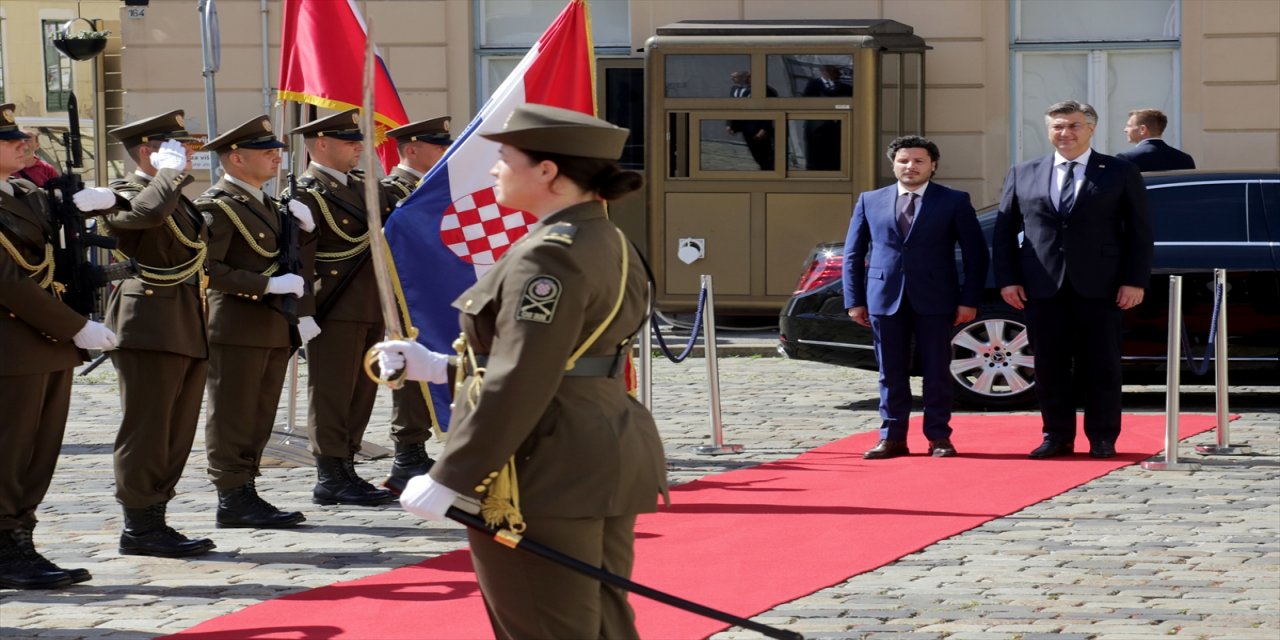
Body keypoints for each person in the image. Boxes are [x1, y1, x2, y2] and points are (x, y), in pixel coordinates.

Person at [374, 104, 668, 639]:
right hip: (596, 444)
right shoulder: (605, 239)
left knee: (544, 627)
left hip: (543, 464)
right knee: (600, 625)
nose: (494, 169)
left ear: (548, 171)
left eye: (506, 157)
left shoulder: (547, 257)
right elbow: (563, 356)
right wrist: (444, 368)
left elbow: (522, 378)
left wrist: (451, 477)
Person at [72, 109, 217, 557]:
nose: (187, 154)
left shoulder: (173, 192)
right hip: (148, 322)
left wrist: (171, 178)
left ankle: (156, 517)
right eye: (176, 147)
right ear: (146, 151)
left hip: (186, 322)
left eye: (187, 147)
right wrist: (168, 175)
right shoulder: (119, 195)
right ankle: (138, 523)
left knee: (176, 431)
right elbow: (146, 216)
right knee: (148, 429)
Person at [993, 100, 1154, 460]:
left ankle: (1102, 437)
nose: (1065, 133)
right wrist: (1008, 279)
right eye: (1057, 127)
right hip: (1042, 287)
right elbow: (1004, 231)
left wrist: (1134, 280)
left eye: (1074, 126)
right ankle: (1056, 435)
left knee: (1101, 366)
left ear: (1091, 128)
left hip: (1103, 287)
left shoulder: (1118, 171)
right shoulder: (1024, 172)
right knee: (1049, 367)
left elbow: (1140, 232)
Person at [0, 104, 117, 589]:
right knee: (9, 450)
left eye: (22, 137)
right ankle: (5, 546)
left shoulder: (26, 191)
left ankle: (21, 538)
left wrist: (93, 203)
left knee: (39, 450)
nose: (23, 143)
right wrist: (73, 326)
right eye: (10, 139)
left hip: (45, 341)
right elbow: (7, 281)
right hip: (11, 342)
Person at [194, 115, 318, 528]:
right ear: (235, 158)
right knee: (234, 413)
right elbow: (207, 270)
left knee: (260, 413)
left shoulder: (269, 203)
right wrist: (265, 285)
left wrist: (306, 232)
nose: (275, 157)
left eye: (276, 150)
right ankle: (231, 494)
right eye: (265, 151)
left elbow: (293, 262)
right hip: (237, 327)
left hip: (272, 327)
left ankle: (247, 489)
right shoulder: (217, 206)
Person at [842, 136, 988, 459]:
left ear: (933, 165)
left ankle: (939, 437)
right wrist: (854, 300)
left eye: (919, 161)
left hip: (937, 298)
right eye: (904, 161)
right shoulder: (870, 200)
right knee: (890, 371)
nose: (911, 167)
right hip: (883, 297)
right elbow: (853, 253)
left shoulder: (953, 201)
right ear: (893, 165)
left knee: (936, 370)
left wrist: (969, 300)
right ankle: (892, 437)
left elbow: (976, 255)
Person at [287, 108, 396, 506]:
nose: (359, 147)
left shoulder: (366, 186)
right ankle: (330, 474)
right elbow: (302, 259)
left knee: (362, 391)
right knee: (332, 392)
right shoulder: (304, 194)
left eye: (359, 140)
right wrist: (302, 314)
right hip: (333, 306)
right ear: (321, 145)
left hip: (369, 304)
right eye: (349, 141)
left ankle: (346, 464)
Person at [378, 116, 454, 495]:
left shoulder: (436, 188)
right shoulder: (391, 191)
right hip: (405, 299)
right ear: (411, 150)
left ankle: (416, 451)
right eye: (438, 147)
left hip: (434, 293)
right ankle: (407, 455)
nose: (446, 153)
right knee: (408, 377)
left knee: (434, 369)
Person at [726, 70, 777, 170]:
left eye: (735, 77)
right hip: (746, 129)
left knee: (767, 155)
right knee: (757, 155)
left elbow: (771, 111)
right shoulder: (735, 89)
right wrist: (730, 124)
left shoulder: (766, 90)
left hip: (760, 129)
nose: (732, 79)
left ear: (745, 77)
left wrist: (764, 129)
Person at [1117, 108, 1196, 172]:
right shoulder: (1185, 159)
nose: (1125, 129)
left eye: (1129, 126)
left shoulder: (1127, 158)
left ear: (1142, 129)